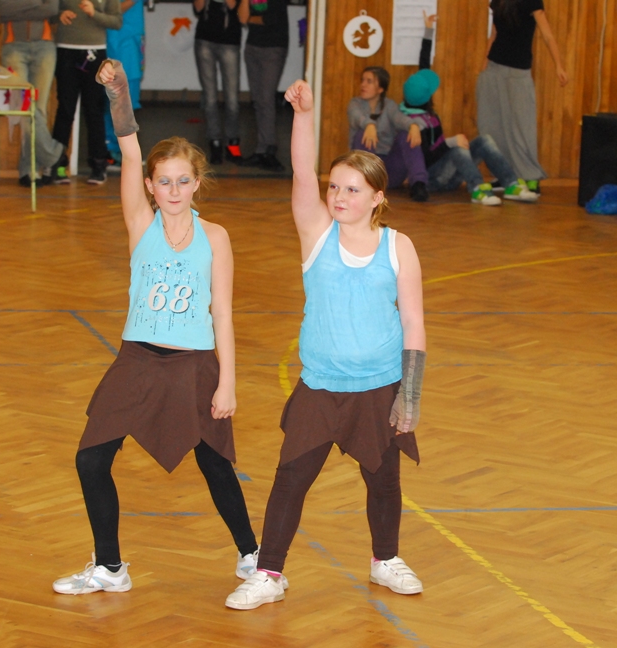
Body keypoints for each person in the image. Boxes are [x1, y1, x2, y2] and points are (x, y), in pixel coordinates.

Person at [52, 58, 260, 595]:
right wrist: (118, 89)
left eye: (183, 181)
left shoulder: (216, 237)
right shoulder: (140, 224)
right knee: (90, 459)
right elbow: (128, 146)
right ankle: (110, 567)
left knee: (215, 464)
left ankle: (252, 555)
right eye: (163, 181)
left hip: (194, 366)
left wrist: (228, 382)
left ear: (197, 184)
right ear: (149, 185)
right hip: (138, 360)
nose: (173, 189)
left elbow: (223, 312)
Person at [225, 79, 427, 610]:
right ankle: (269, 573)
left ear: (377, 197)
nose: (339, 196)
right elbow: (300, 171)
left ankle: (386, 560)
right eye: (334, 186)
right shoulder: (317, 234)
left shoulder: (399, 246)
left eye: (352, 190)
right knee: (291, 478)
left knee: (383, 481)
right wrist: (304, 114)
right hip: (320, 386)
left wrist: (409, 395)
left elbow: (414, 322)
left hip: (379, 386)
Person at [403, 13, 537, 206]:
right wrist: (450, 143)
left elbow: (423, 66)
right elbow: (424, 158)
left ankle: (511, 184)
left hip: (450, 172)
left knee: (484, 140)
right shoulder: (412, 123)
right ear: (426, 97)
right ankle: (477, 189)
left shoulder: (419, 104)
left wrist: (428, 30)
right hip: (435, 180)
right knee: (457, 149)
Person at [476, 0, 568, 195]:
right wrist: (484, 67)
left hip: (518, 73)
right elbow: (493, 35)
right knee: (493, 126)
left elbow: (547, 35)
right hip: (494, 69)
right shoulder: (498, 1)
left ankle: (530, 177)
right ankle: (506, 175)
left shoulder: (531, 1)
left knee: (522, 127)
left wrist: (559, 65)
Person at [0, 0, 67, 187]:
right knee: (24, 106)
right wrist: (37, 5)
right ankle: (53, 154)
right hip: (14, 47)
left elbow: (51, 8)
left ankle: (29, 169)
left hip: (45, 48)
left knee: (37, 109)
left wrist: (20, 7)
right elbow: (4, 8)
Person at [49, 0, 123, 185]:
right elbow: (47, 11)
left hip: (95, 53)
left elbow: (116, 21)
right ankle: (58, 164)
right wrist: (59, 15)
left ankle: (98, 165)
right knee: (65, 108)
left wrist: (94, 13)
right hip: (66, 50)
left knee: (94, 109)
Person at [349, 67, 429, 202]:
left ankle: (418, 184)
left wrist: (413, 125)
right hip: (366, 171)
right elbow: (356, 117)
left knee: (406, 134)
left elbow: (400, 118)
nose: (363, 85)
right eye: (362, 80)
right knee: (362, 133)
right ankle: (366, 183)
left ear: (380, 89)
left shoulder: (389, 105)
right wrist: (369, 125)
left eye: (369, 81)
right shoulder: (355, 104)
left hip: (389, 170)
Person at [237, 0, 288, 172]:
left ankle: (269, 150)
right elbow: (242, 17)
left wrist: (250, 18)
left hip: (273, 47)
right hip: (252, 47)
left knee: (266, 99)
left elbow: (271, 19)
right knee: (258, 100)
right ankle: (261, 150)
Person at [194, 0, 243, 165]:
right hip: (204, 40)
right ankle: (214, 142)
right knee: (210, 98)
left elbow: (233, 6)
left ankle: (232, 142)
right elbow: (198, 8)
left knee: (232, 99)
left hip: (230, 41)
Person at [104, 0, 145, 167]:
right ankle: (111, 148)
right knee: (117, 95)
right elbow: (109, 10)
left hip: (133, 37)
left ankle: (124, 151)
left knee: (130, 96)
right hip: (119, 39)